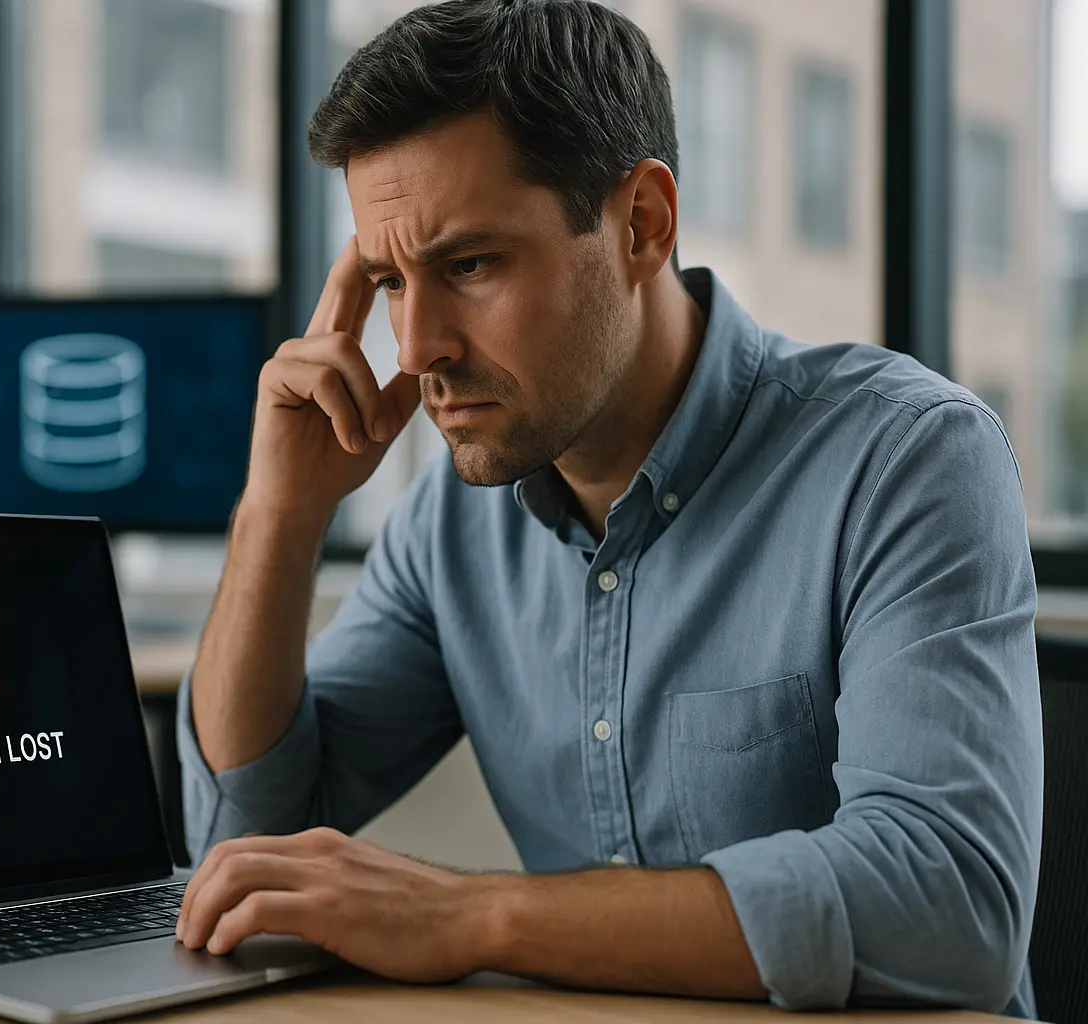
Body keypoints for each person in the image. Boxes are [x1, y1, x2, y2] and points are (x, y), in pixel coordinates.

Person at [171, 0, 1043, 1015]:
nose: (415, 350)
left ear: (643, 224)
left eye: (469, 264)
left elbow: (950, 906)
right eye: (388, 280)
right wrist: (276, 514)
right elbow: (242, 849)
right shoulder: (450, 528)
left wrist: (470, 916)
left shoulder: (906, 458)